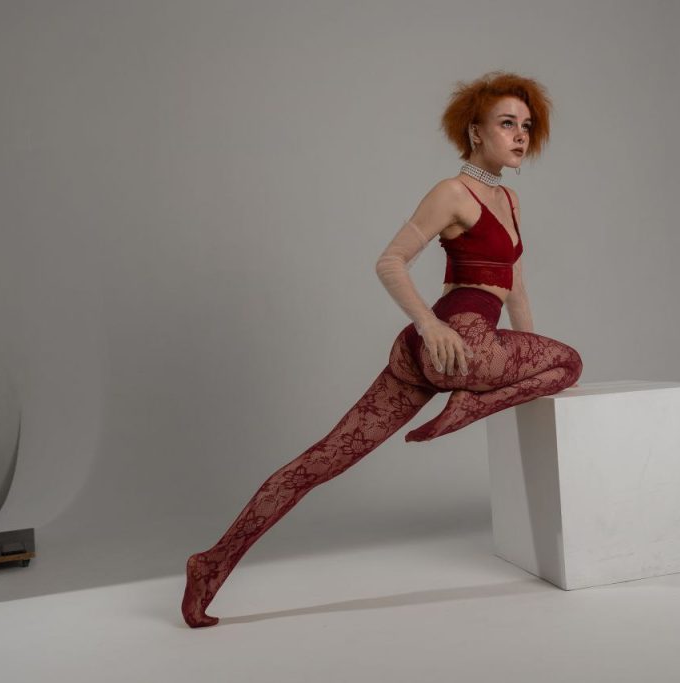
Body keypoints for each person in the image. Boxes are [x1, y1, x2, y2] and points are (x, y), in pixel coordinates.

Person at [181, 71, 583, 628]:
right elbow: (390, 261)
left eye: (527, 126)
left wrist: (521, 347)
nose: (520, 136)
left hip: (428, 352)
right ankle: (468, 405)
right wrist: (430, 326)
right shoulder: (452, 192)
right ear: (475, 132)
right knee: (570, 363)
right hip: (456, 342)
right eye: (507, 124)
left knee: (323, 458)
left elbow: (514, 285)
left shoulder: (508, 198)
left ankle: (211, 563)